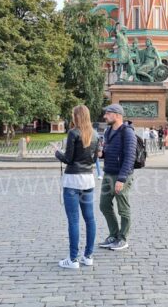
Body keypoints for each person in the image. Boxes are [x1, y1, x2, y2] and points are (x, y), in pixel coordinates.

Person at [55, 105, 98, 269]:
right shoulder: (95, 134)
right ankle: (88, 256)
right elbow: (94, 160)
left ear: (76, 116)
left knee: (74, 220)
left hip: (73, 180)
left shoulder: (73, 133)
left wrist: (57, 153)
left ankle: (73, 259)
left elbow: (69, 159)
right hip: (88, 179)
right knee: (90, 219)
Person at [98, 104, 136, 252]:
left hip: (121, 175)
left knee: (123, 208)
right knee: (104, 205)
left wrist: (121, 179)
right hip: (108, 173)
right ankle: (113, 235)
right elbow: (109, 150)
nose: (105, 116)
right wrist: (102, 154)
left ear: (117, 115)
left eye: (108, 113)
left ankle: (123, 238)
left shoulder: (127, 132)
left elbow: (130, 157)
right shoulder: (108, 131)